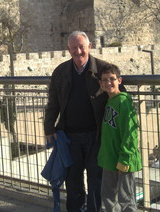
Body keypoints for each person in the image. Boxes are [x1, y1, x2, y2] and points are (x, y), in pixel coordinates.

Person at [44, 31, 110, 212]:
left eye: (82, 47)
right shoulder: (61, 72)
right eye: (74, 48)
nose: (78, 51)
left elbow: (118, 97)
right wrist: (49, 128)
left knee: (96, 182)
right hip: (69, 137)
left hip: (96, 137)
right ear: (68, 49)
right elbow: (53, 102)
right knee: (73, 182)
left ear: (89, 46)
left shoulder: (104, 70)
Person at [97, 63, 142, 212]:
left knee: (126, 201)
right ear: (100, 84)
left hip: (124, 159)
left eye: (112, 79)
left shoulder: (123, 101)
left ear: (119, 80)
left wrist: (125, 158)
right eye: (104, 80)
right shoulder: (109, 102)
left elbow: (130, 133)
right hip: (110, 158)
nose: (108, 83)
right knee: (108, 198)